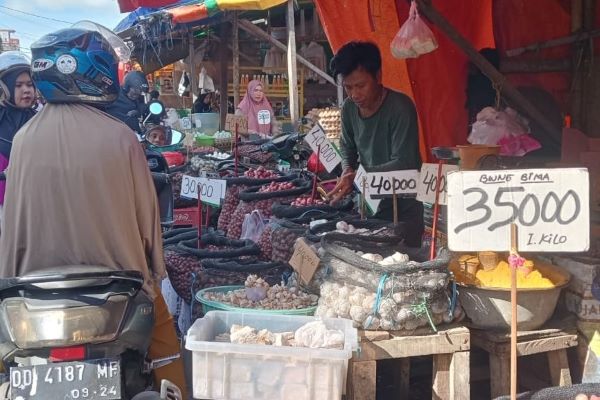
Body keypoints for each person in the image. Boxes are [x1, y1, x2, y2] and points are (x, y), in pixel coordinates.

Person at [0, 25, 187, 397]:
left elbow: (13, 219)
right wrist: (154, 271)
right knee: (166, 346)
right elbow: (148, 225)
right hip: (119, 284)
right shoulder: (120, 137)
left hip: (31, 290)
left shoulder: (22, 140)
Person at [327, 41, 423, 246]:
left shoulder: (400, 108)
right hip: (370, 205)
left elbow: (405, 162)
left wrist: (360, 176)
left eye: (361, 85)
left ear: (378, 76)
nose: (354, 95)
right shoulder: (349, 109)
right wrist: (347, 169)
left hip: (403, 207)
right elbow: (347, 146)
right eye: (348, 87)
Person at [0, 51, 36, 220]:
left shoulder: (41, 119)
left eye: (30, 84)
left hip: (32, 206)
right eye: (18, 85)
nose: (26, 90)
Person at [105, 70, 148, 134]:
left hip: (135, 135)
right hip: (117, 133)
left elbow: (144, 109)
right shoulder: (115, 96)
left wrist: (138, 112)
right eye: (135, 90)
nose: (137, 94)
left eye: (140, 91)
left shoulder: (138, 99)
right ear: (127, 86)